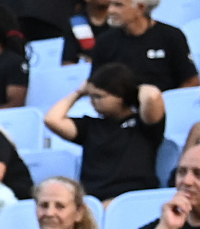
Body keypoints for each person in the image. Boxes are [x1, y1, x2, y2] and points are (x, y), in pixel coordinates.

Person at [44, 63, 166, 201]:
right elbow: (51, 119)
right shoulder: (90, 126)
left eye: (99, 96)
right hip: (92, 201)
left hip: (132, 198)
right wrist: (78, 92)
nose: (92, 102)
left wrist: (133, 89)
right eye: (90, 96)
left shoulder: (143, 124)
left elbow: (152, 96)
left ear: (120, 96)